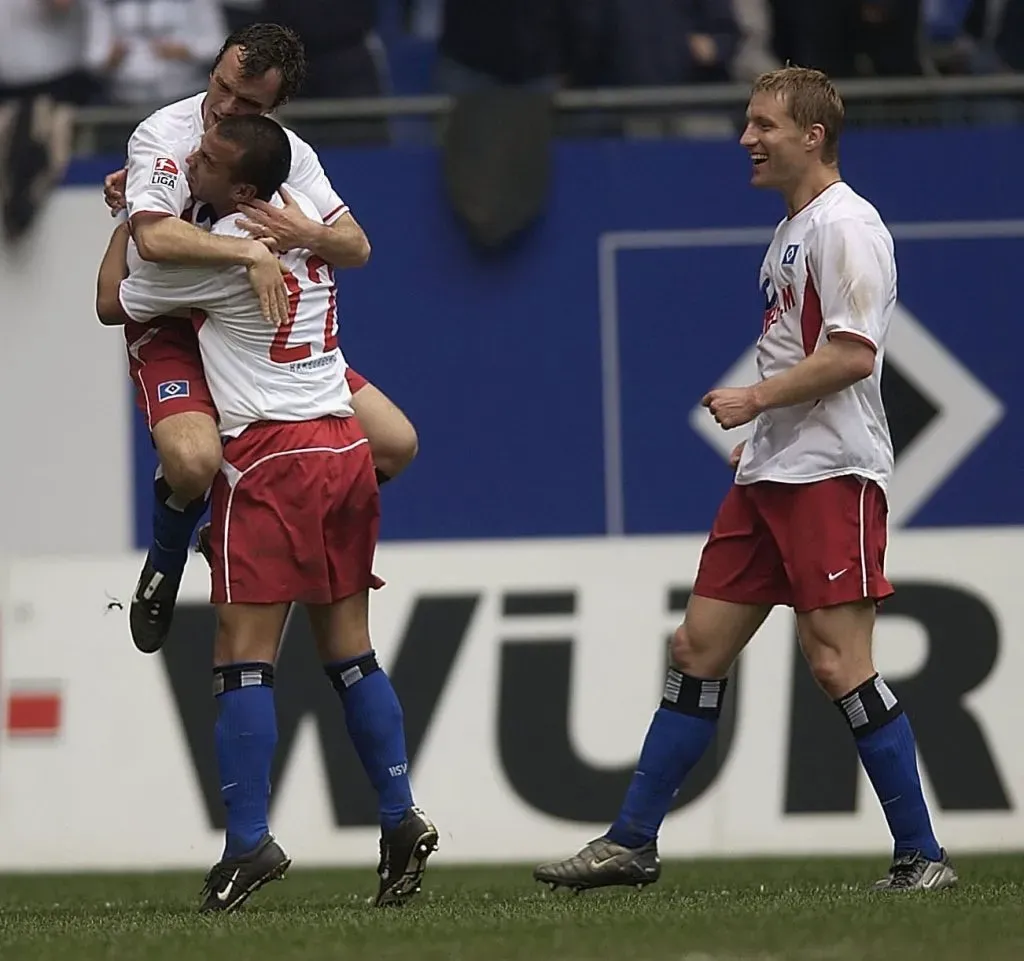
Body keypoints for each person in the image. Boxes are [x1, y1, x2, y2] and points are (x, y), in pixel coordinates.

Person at [533, 66, 957, 894]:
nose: (746, 139)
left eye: (763, 124)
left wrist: (756, 399)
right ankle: (632, 841)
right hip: (774, 474)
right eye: (747, 122)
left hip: (832, 475)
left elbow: (852, 354)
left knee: (840, 663)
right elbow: (807, 351)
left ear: (813, 136)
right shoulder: (794, 229)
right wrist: (766, 432)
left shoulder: (848, 227)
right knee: (697, 648)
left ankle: (922, 856)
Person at [96, 114, 438, 913]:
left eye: (208, 160)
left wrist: (123, 216)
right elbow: (350, 244)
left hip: (271, 456)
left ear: (244, 190)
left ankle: (248, 842)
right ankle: (398, 816)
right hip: (343, 449)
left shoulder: (220, 262)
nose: (192, 162)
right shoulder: (302, 231)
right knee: (350, 652)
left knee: (241, 656)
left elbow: (115, 299)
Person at [104, 23, 418, 657]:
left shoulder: (288, 153)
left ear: (274, 110)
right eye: (220, 85)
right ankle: (166, 560)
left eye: (247, 104)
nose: (224, 107)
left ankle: (235, 519)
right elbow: (154, 241)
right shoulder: (164, 135)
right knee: (191, 463)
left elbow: (356, 245)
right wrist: (246, 251)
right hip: (171, 312)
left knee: (395, 445)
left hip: (246, 326)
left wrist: (306, 231)